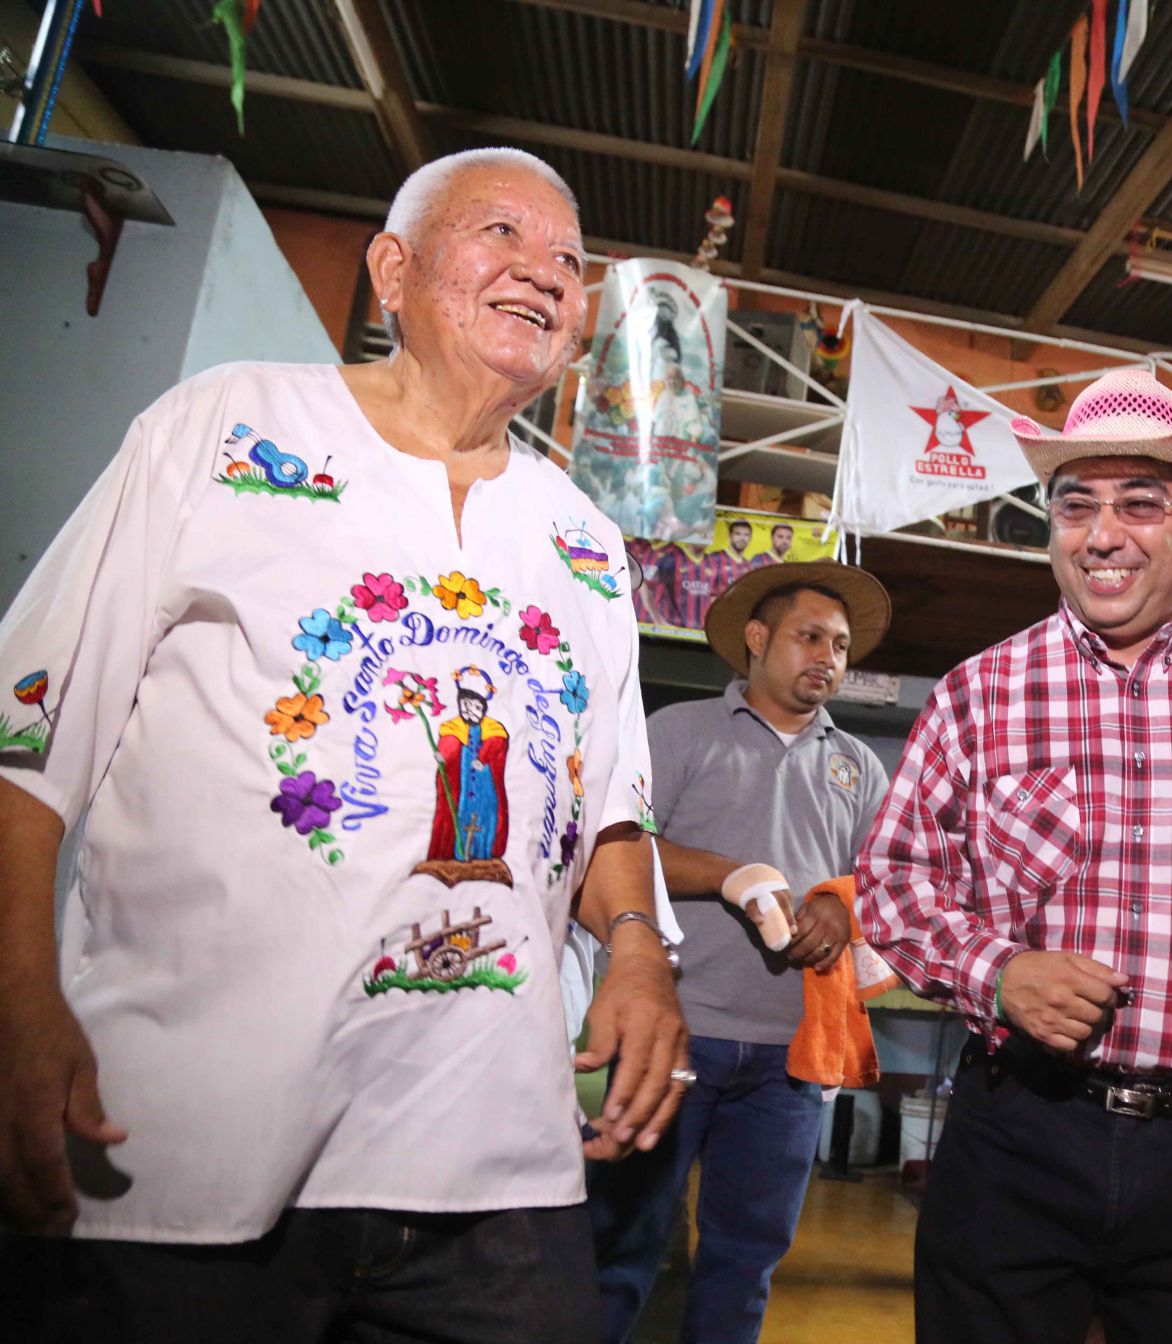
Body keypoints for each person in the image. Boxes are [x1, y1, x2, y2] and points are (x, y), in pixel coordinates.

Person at [0, 147, 687, 1343]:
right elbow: (28, 736)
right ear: (392, 271)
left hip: (493, 1166)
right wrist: (17, 997)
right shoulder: (229, 428)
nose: (544, 272)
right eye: (502, 235)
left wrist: (636, 951)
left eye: (569, 260)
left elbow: (606, 805)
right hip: (184, 1143)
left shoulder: (583, 541)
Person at [858, 369, 1172, 1344]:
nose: (1102, 536)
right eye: (1075, 506)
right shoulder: (979, 694)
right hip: (1019, 1136)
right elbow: (894, 882)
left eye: (1140, 504)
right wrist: (997, 974)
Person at [587, 561, 893, 1344]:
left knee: (746, 1257)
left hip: (792, 1055)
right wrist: (732, 876)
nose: (827, 656)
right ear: (757, 638)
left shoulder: (859, 766)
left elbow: (885, 881)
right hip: (673, 1031)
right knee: (621, 1245)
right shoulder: (679, 732)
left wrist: (842, 903)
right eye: (809, 636)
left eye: (840, 645)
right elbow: (619, 848)